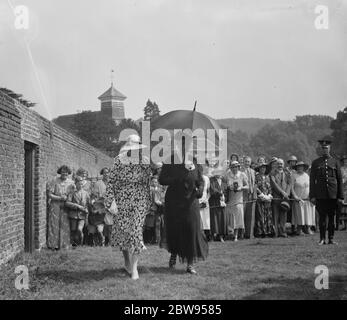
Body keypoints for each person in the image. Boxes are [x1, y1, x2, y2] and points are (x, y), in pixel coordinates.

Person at [159, 133, 208, 274]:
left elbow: (201, 180)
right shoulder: (170, 160)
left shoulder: (195, 161)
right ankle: (174, 254)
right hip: (174, 202)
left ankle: (190, 264)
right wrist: (176, 178)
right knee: (176, 229)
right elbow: (162, 179)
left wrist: (200, 189)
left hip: (191, 201)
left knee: (192, 229)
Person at [105, 134, 152, 280]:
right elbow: (111, 182)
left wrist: (146, 202)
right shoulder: (118, 160)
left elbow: (147, 183)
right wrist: (110, 201)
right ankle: (127, 262)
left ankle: (135, 268)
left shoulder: (144, 161)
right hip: (122, 200)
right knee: (123, 232)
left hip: (139, 200)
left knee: (136, 232)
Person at [309, 135, 344, 245]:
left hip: (333, 195)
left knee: (332, 218)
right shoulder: (315, 163)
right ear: (321, 149)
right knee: (322, 218)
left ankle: (331, 238)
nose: (325, 149)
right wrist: (312, 196)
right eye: (323, 148)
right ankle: (322, 239)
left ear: (330, 148)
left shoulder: (335, 162)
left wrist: (340, 196)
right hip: (320, 195)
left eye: (327, 147)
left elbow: (339, 180)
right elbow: (312, 181)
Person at [47, 165, 75, 250]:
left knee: (64, 224)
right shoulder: (54, 181)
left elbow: (72, 195)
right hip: (55, 204)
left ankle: (64, 245)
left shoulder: (71, 183)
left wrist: (68, 197)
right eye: (63, 172)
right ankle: (53, 245)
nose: (64, 173)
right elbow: (49, 194)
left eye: (66, 172)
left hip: (65, 205)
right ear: (60, 172)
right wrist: (59, 198)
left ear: (68, 173)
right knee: (54, 224)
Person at [225, 161, 249, 241]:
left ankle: (236, 235)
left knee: (238, 217)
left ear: (238, 167)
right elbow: (225, 186)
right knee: (231, 217)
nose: (234, 168)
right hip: (230, 199)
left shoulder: (242, 175)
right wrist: (229, 187)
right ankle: (230, 234)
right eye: (232, 167)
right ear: (230, 168)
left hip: (239, 199)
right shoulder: (227, 175)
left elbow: (247, 186)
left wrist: (241, 188)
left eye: (236, 167)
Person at [291, 161, 315, 235]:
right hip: (298, 199)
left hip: (307, 198)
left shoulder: (307, 176)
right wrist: (295, 196)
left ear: (304, 167)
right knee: (299, 215)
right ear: (296, 168)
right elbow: (291, 188)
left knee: (308, 214)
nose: (300, 168)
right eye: (298, 166)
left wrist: (311, 195)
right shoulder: (293, 176)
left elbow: (311, 186)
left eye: (301, 166)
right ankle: (299, 229)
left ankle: (308, 229)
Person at [65, 175, 90, 246]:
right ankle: (73, 244)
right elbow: (67, 203)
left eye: (81, 184)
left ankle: (80, 244)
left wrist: (87, 209)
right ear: (75, 184)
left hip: (82, 215)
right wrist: (77, 206)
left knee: (79, 229)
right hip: (73, 215)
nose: (80, 185)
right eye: (79, 184)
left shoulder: (86, 193)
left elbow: (88, 204)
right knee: (73, 230)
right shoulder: (72, 193)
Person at [270, 158, 291, 237]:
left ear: (283, 165)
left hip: (285, 198)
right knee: (276, 215)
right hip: (276, 197)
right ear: (276, 165)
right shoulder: (272, 174)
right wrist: (282, 192)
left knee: (283, 215)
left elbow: (289, 184)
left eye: (281, 164)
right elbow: (274, 185)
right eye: (278, 164)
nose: (280, 165)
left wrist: (287, 194)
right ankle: (276, 232)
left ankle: (283, 231)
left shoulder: (287, 173)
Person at [254, 163, 274, 238]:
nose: (263, 169)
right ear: (259, 169)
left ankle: (268, 231)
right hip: (260, 198)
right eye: (261, 168)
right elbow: (255, 186)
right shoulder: (256, 177)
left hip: (267, 199)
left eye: (264, 168)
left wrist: (268, 195)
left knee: (268, 215)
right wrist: (262, 194)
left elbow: (270, 187)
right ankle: (260, 232)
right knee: (260, 215)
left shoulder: (267, 177)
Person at [209, 167, 228, 242]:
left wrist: (224, 196)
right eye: (217, 172)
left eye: (220, 172)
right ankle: (214, 235)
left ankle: (221, 235)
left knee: (222, 218)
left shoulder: (224, 180)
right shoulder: (211, 180)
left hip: (222, 202)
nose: (219, 173)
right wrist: (220, 193)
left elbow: (226, 189)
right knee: (215, 219)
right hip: (214, 202)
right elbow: (212, 190)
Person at [242, 156, 256, 239]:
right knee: (243, 214)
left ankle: (250, 234)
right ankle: (242, 233)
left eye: (248, 161)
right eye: (246, 161)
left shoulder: (253, 171)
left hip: (251, 195)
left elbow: (254, 184)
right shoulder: (241, 172)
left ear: (250, 163)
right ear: (243, 162)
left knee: (250, 215)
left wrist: (254, 194)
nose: (247, 163)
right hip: (244, 195)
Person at [199, 166, 211, 240]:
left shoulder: (206, 178)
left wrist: (206, 200)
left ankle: (207, 236)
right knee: (199, 218)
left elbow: (209, 191)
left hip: (205, 201)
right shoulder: (194, 179)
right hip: (197, 201)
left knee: (206, 219)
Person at [339, 155, 347, 230]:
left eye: (346, 160)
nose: (345, 162)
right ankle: (344, 225)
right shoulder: (341, 169)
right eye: (344, 161)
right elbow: (340, 179)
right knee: (343, 208)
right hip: (343, 189)